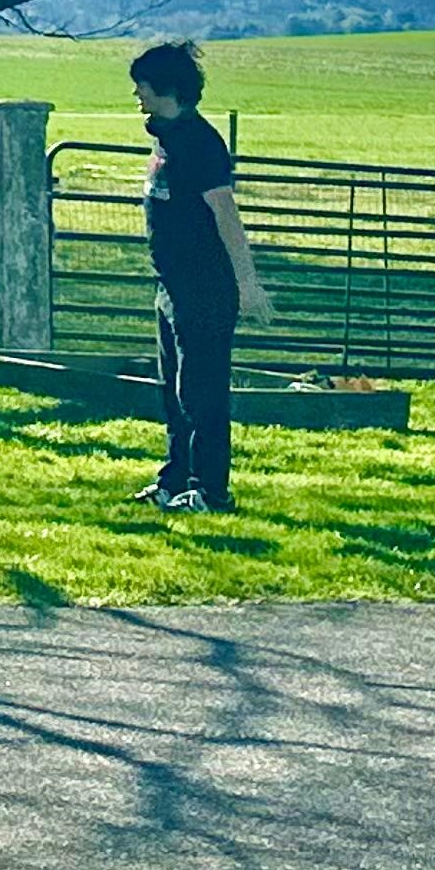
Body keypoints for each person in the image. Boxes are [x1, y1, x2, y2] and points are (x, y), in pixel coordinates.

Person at [133, 40, 273, 515]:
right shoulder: (166, 137)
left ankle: (212, 491)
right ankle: (175, 480)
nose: (138, 95)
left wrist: (247, 283)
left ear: (167, 89)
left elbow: (226, 216)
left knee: (202, 393)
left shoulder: (199, 143)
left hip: (205, 288)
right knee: (173, 391)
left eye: (144, 87)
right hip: (171, 287)